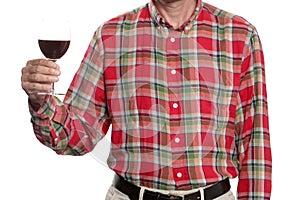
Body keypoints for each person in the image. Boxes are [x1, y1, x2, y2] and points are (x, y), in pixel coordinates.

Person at [21, 0, 272, 199]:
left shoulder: (239, 35)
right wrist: (40, 100)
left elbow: (255, 139)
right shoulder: (111, 36)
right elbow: (74, 138)